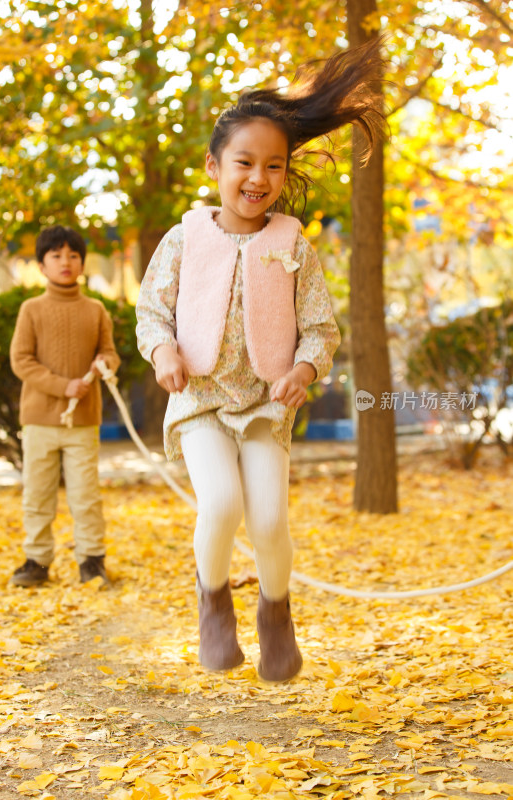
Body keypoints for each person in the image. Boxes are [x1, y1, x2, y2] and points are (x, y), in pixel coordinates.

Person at [136, 41, 383, 681]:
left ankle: (276, 613)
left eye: (274, 166)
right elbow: (151, 313)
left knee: (270, 517)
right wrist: (163, 351)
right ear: (214, 164)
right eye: (245, 162)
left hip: (267, 403)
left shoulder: (291, 240)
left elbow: (320, 327)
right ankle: (213, 603)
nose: (258, 178)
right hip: (200, 399)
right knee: (220, 504)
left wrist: (305, 368)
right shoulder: (185, 237)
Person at [9, 225, 120, 587]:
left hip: (83, 421)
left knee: (85, 495)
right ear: (42, 265)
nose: (65, 262)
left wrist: (104, 364)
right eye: (55, 256)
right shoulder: (31, 309)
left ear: (83, 263)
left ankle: (91, 560)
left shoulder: (96, 309)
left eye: (73, 255)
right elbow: (21, 361)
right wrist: (63, 386)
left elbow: (109, 352)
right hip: (39, 420)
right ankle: (36, 561)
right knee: (37, 494)